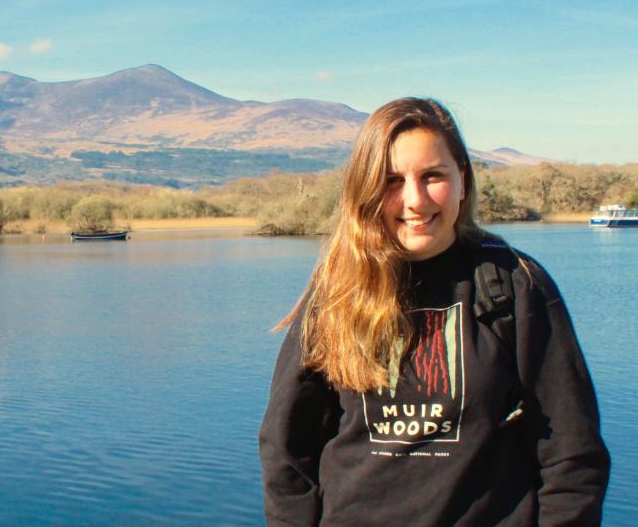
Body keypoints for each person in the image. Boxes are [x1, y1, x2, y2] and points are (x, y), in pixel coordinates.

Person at [258, 98, 610, 526]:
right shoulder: (337, 292)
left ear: (462, 178)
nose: (415, 200)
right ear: (366, 189)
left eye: (432, 176)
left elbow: (572, 453)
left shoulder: (513, 284)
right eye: (391, 180)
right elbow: (286, 452)